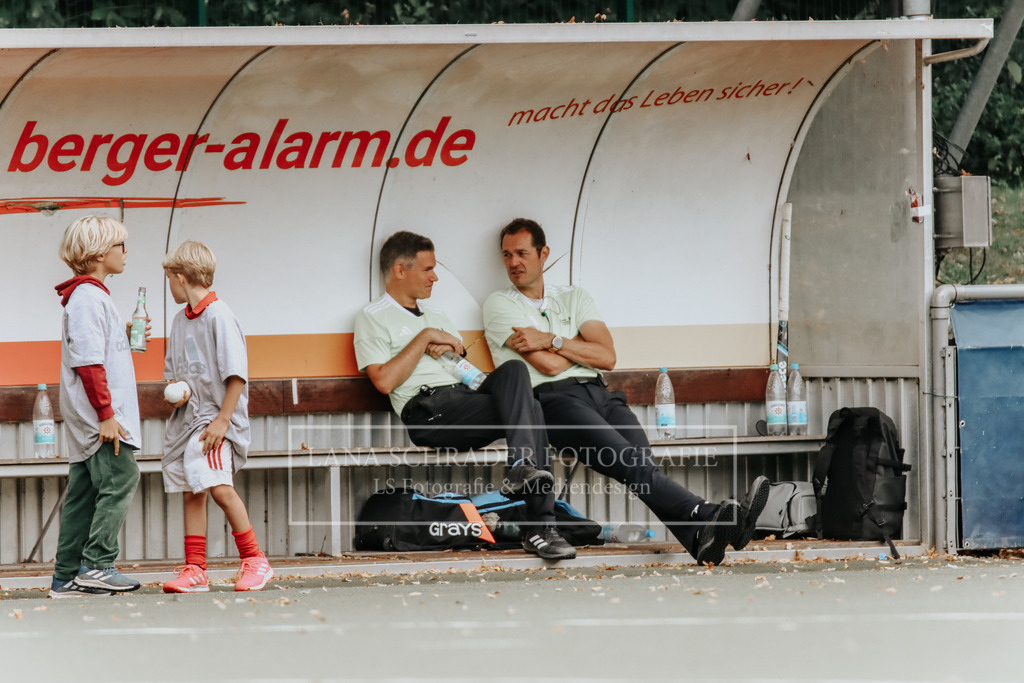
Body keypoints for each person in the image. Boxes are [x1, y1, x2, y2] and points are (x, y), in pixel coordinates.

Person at [482, 218, 770, 566]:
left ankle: (701, 539)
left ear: (543, 254)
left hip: (602, 395)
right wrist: (573, 349)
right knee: (635, 465)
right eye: (507, 255)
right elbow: (549, 367)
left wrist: (550, 340)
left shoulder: (574, 296)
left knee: (642, 466)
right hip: (555, 401)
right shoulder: (500, 304)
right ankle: (708, 513)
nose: (514, 262)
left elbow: (607, 356)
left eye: (522, 253)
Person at [353, 230, 575, 560]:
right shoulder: (371, 316)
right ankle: (541, 528)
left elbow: (462, 371)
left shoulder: (438, 316)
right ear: (401, 270)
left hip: (463, 397)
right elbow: (383, 381)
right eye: (427, 269)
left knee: (516, 378)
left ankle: (521, 470)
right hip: (429, 411)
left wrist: (455, 350)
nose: (435, 276)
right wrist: (424, 337)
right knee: (532, 409)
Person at [160, 241, 274, 592]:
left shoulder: (220, 316)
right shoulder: (180, 321)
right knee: (193, 492)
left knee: (220, 488)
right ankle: (196, 569)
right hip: (190, 422)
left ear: (180, 278)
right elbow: (176, 373)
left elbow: (236, 375)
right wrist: (177, 390)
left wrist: (223, 421)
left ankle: (256, 560)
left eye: (169, 279)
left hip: (215, 422)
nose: (170, 286)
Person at [49, 215, 144, 598]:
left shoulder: (90, 296)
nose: (126, 252)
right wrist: (106, 415)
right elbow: (87, 362)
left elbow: (92, 348)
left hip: (89, 414)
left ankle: (65, 576)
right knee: (123, 476)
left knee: (84, 492)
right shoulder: (89, 297)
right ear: (99, 252)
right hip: (99, 417)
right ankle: (98, 563)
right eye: (121, 245)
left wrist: (121, 335)